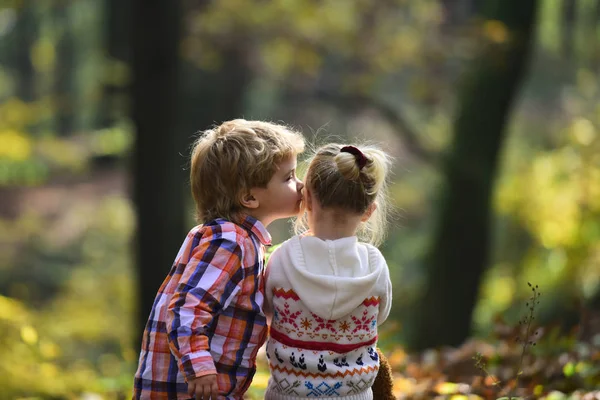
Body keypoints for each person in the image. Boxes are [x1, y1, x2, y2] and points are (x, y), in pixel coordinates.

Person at [133, 119, 305, 400]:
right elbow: (187, 307)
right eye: (289, 177)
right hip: (187, 390)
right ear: (249, 197)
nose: (300, 185)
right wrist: (199, 367)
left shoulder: (238, 240)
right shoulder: (230, 241)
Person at [263, 143, 393, 400]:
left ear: (306, 198)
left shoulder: (281, 259)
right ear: (369, 210)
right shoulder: (375, 265)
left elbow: (267, 313)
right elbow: (381, 316)